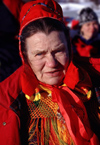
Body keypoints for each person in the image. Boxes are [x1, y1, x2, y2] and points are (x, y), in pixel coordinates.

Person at [0, 1, 99, 145]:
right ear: (25, 56)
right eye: (40, 54)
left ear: (69, 49)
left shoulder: (94, 81)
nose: (52, 63)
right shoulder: (10, 102)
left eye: (58, 51)